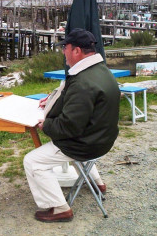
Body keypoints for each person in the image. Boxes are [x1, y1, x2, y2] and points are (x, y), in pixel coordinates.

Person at [23, 28, 120, 223]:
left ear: (76, 51)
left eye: (65, 48)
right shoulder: (100, 70)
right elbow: (75, 99)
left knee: (33, 161)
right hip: (102, 137)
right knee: (66, 148)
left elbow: (69, 127)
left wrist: (47, 124)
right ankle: (96, 183)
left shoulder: (83, 81)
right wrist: (51, 100)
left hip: (85, 143)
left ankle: (59, 208)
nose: (63, 52)